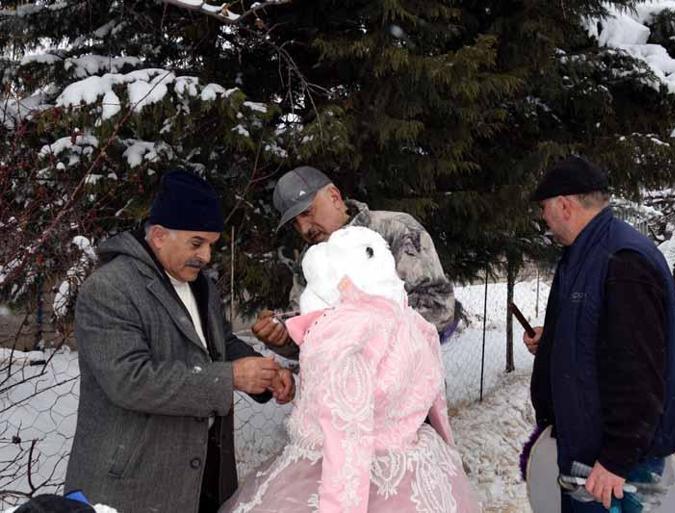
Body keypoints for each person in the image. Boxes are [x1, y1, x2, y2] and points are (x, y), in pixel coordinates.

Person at [64, 170, 295, 513]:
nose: (206, 257)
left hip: (201, 480)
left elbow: (218, 343)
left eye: (211, 245)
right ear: (158, 236)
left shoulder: (199, 284)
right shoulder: (109, 289)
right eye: (196, 243)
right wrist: (230, 377)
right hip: (131, 488)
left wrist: (265, 373)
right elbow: (131, 381)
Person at [220, 226, 481, 513]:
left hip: (338, 478)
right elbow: (435, 402)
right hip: (416, 467)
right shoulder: (413, 323)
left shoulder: (341, 334)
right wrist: (449, 452)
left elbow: (348, 435)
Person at [523, 156, 675, 512]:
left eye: (544, 208)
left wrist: (616, 459)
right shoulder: (588, 252)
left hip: (614, 465)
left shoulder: (623, 262)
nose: (543, 218)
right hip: (591, 449)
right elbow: (603, 335)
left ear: (564, 205)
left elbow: (640, 372)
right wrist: (555, 340)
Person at [252, 166, 460, 358]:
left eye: (307, 213)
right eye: (295, 224)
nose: (305, 229)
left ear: (334, 196)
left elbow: (438, 307)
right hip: (340, 393)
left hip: (407, 388)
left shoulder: (395, 230)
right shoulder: (310, 262)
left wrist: (361, 334)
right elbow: (308, 335)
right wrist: (282, 337)